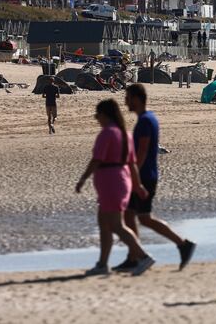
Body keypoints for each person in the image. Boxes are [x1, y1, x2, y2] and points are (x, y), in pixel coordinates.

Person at [114, 84, 196, 272]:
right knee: (130, 215)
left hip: (144, 176)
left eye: (127, 97)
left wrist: (132, 177)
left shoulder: (145, 121)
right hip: (144, 175)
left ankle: (182, 244)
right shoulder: (148, 118)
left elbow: (141, 153)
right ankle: (134, 256)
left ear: (136, 98)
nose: (125, 101)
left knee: (143, 217)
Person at [75, 99, 155, 276]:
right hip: (120, 180)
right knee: (104, 224)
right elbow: (132, 164)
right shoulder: (125, 134)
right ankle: (102, 264)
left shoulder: (108, 133)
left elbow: (97, 159)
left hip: (111, 181)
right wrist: (137, 185)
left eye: (98, 115)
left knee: (116, 225)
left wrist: (82, 179)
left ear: (105, 114)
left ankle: (142, 256)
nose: (97, 119)